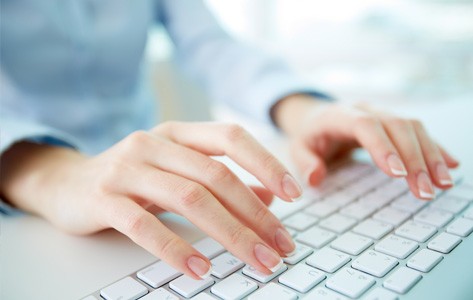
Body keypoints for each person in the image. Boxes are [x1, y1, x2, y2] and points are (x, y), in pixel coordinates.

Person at [0, 0, 459, 281]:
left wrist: (304, 109)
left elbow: (209, 44)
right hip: (27, 210)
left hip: (163, 196)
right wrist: (47, 173)